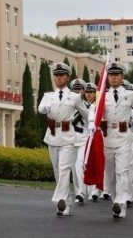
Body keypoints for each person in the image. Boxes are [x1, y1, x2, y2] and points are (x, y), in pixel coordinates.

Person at [88, 62, 133, 219]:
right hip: (107, 138)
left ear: (122, 77)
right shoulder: (102, 95)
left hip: (124, 137)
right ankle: (115, 201)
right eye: (111, 75)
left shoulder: (130, 94)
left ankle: (121, 201)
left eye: (116, 75)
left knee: (122, 171)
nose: (113, 77)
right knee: (110, 175)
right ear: (107, 77)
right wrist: (92, 122)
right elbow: (93, 110)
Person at [38, 63, 90, 217]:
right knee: (57, 170)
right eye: (56, 75)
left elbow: (86, 114)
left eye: (61, 75)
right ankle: (66, 204)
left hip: (68, 136)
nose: (58, 78)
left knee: (64, 169)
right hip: (52, 135)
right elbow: (40, 108)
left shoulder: (74, 97)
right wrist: (45, 108)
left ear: (67, 77)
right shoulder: (48, 96)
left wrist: (94, 124)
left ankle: (59, 198)